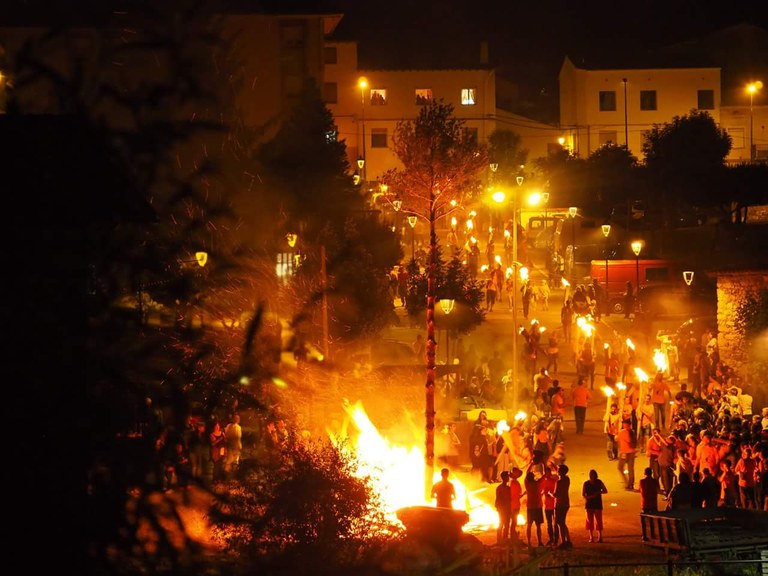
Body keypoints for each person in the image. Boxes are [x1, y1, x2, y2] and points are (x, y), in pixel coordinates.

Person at [582, 469, 608, 543]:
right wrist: (590, 497)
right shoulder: (586, 483)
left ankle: (599, 536)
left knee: (598, 521)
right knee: (590, 521)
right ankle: (591, 537)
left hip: (596, 503)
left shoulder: (598, 482)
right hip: (590, 504)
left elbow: (605, 490)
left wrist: (598, 492)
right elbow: (583, 494)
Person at [553, 464, 572, 549]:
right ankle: (568, 540)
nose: (557, 471)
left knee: (559, 523)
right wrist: (556, 467)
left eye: (558, 470)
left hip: (560, 504)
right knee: (563, 522)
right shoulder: (567, 479)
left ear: (560, 472)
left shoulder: (559, 482)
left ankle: (563, 542)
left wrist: (549, 493)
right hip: (566, 503)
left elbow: (556, 494)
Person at [524, 470, 545, 547]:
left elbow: (526, 475)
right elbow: (544, 475)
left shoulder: (527, 484)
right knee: (538, 526)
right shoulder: (537, 484)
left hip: (530, 507)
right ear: (533, 477)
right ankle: (539, 541)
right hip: (538, 507)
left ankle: (529, 542)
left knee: (529, 525)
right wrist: (543, 462)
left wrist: (531, 464)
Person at [617, 419, 637, 490]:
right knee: (631, 469)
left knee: (620, 467)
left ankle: (627, 482)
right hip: (632, 452)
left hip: (624, 453)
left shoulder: (622, 432)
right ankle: (631, 484)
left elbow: (616, 439)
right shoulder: (633, 432)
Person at [495, 470, 513, 544]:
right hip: (504, 509)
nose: (508, 478)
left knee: (502, 524)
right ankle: (502, 539)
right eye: (507, 477)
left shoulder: (499, 488)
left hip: (502, 509)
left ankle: (500, 540)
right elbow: (508, 499)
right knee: (505, 524)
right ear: (505, 478)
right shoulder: (507, 488)